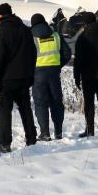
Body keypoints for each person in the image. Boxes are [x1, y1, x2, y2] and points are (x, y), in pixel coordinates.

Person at [0, 3, 38, 152]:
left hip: (6, 80)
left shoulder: (1, 32)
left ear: (1, 15)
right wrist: (30, 74)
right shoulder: (25, 30)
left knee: (4, 112)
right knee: (26, 109)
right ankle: (31, 139)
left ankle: (5, 144)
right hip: (23, 78)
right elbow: (33, 54)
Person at [30, 13, 72, 141]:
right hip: (54, 73)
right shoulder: (56, 35)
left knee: (40, 103)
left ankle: (45, 133)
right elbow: (67, 53)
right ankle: (58, 133)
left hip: (38, 75)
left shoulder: (31, 37)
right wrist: (57, 65)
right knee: (56, 103)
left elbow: (27, 57)